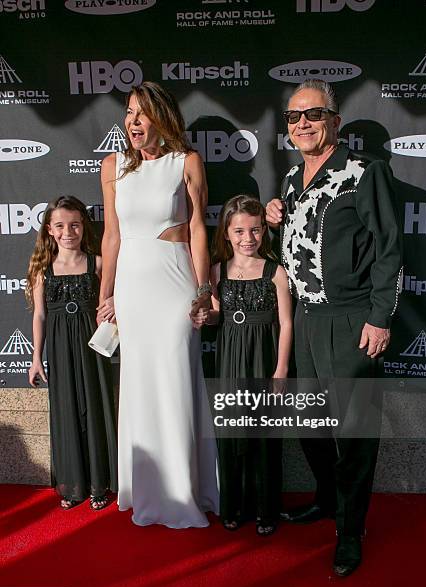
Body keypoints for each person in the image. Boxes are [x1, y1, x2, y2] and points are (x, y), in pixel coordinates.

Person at [266, 79, 402, 576]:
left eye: (313, 115)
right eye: (294, 117)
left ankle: (351, 530)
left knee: (354, 433)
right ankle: (327, 500)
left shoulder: (365, 172)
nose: (303, 124)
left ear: (335, 121)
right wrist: (273, 215)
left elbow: (389, 250)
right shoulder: (289, 180)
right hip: (306, 319)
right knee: (310, 424)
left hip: (352, 319)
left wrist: (380, 317)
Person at [98, 81, 219, 528]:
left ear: (162, 118)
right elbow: (111, 235)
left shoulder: (185, 162)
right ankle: (146, 489)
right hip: (131, 288)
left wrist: (203, 289)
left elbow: (199, 229)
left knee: (176, 381)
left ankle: (184, 492)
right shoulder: (112, 168)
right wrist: (105, 294)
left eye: (142, 113)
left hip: (174, 288)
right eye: (129, 112)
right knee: (140, 387)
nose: (133, 120)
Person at [202, 195, 292, 535]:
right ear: (226, 232)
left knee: (265, 436)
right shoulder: (216, 271)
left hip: (265, 359)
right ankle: (233, 507)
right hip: (228, 361)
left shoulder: (275, 271)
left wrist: (281, 370)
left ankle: (266, 512)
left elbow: (286, 323)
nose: (248, 238)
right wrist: (200, 315)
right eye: (239, 231)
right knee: (231, 434)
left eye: (255, 230)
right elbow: (213, 316)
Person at [27, 195, 118, 510]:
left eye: (75, 224)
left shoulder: (97, 262)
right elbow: (39, 315)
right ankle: (74, 486)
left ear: (84, 227)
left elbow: (118, 297)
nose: (69, 231)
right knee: (67, 411)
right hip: (60, 348)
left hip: (93, 347)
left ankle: (99, 485)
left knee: (96, 408)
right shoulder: (43, 269)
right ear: (50, 230)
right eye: (61, 225)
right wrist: (37, 357)